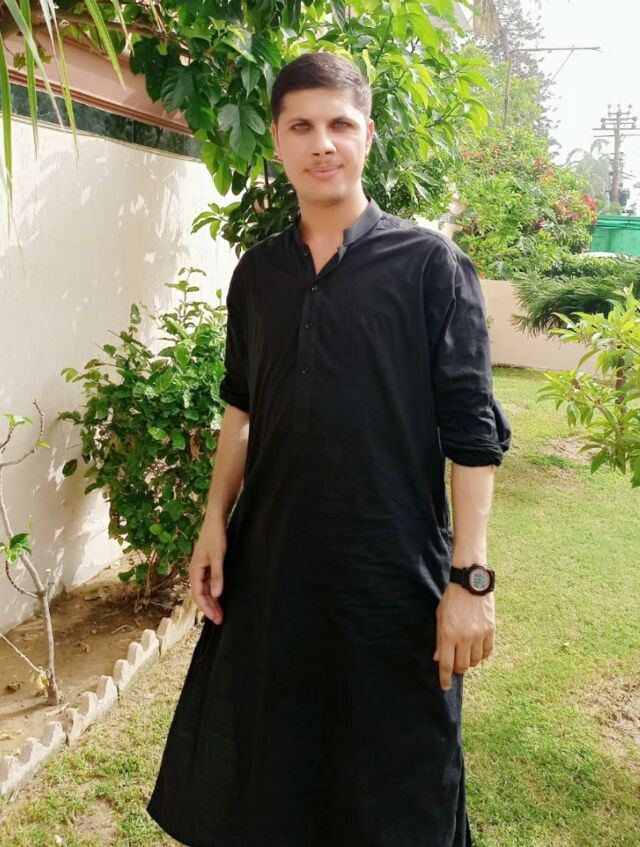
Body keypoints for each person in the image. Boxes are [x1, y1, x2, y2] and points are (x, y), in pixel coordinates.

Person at [146, 51, 512, 847]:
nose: (323, 143)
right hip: (273, 570)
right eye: (302, 125)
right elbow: (241, 407)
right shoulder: (258, 275)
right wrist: (214, 521)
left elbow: (473, 435)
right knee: (270, 774)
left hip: (392, 579)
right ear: (276, 140)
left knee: (400, 784)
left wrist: (470, 578)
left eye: (341, 124)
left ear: (367, 135)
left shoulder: (431, 268)